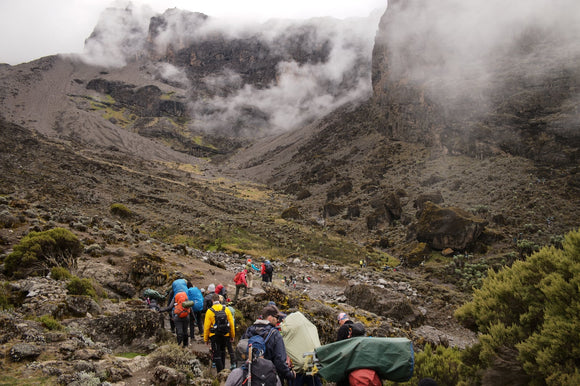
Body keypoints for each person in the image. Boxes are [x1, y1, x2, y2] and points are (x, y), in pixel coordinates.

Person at [242, 305, 296, 383]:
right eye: (277, 317)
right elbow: (280, 360)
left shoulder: (249, 331)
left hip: (250, 376)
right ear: (270, 318)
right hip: (269, 377)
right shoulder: (274, 334)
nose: (278, 320)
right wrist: (289, 374)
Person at [204, 293, 235, 372]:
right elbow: (231, 323)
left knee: (217, 354)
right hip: (225, 334)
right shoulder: (226, 309)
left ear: (212, 300)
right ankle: (224, 370)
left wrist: (206, 339)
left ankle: (220, 372)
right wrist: (232, 335)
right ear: (219, 300)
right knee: (223, 352)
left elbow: (206, 327)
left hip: (215, 335)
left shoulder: (210, 311)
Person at [159, 278, 190, 347]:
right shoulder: (186, 294)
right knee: (185, 332)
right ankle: (186, 346)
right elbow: (190, 306)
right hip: (186, 315)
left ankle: (178, 345)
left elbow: (169, 307)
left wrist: (161, 310)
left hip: (177, 316)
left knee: (179, 331)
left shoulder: (175, 295)